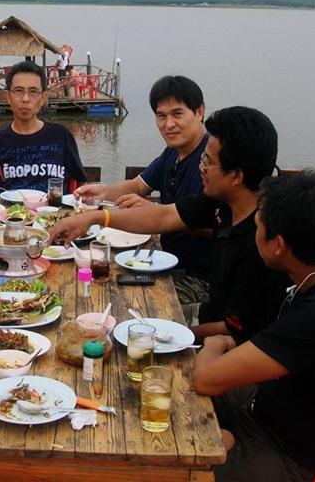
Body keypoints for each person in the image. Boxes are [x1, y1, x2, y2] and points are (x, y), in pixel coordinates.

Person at [193, 170, 315, 481]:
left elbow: (205, 379)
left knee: (167, 460)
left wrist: (215, 343)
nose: (253, 232)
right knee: (171, 382)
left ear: (279, 245)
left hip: (288, 458)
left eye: (258, 227)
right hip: (272, 407)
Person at [51, 106, 288, 344]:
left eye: (208, 162)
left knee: (121, 326)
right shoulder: (223, 202)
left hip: (228, 345)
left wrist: (167, 335)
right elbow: (164, 216)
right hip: (209, 313)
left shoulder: (262, 242)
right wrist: (96, 218)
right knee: (118, 313)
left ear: (236, 176)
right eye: (202, 158)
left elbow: (236, 330)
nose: (201, 167)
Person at [75, 75, 212, 312]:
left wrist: (154, 211)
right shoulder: (173, 152)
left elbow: (211, 225)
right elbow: (138, 185)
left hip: (196, 276)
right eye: (161, 116)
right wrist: (104, 191)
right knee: (99, 279)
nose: (169, 124)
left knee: (120, 298)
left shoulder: (211, 162)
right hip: (162, 259)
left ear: (199, 112)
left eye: (177, 114)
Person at [0, 60, 87, 199]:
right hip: (10, 212)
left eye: (33, 92)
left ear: (43, 98)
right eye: (18, 91)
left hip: (54, 211)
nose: (25, 99)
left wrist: (83, 200)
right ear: (8, 97)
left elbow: (81, 183)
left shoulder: (61, 136)